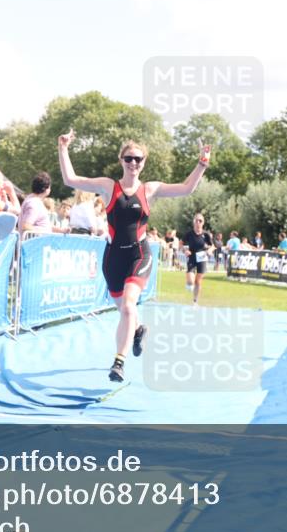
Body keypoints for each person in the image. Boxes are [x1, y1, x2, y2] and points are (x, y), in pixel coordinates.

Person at [59, 128, 210, 382]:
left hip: (139, 255)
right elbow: (70, 179)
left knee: (129, 305)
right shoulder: (108, 187)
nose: (133, 163)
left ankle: (119, 362)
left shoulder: (150, 189)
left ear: (144, 163)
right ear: (121, 160)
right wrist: (63, 147)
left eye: (138, 159)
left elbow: (186, 188)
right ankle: (138, 330)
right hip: (113, 259)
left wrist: (202, 164)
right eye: (128, 158)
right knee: (124, 311)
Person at [182, 213, 214, 304]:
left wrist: (209, 251)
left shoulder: (206, 234)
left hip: (202, 257)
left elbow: (212, 246)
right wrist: (185, 251)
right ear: (194, 222)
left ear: (203, 223)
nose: (198, 222)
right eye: (197, 220)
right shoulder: (189, 234)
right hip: (192, 256)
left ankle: (195, 301)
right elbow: (181, 244)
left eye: (200, 221)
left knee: (198, 281)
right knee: (191, 281)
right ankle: (189, 283)